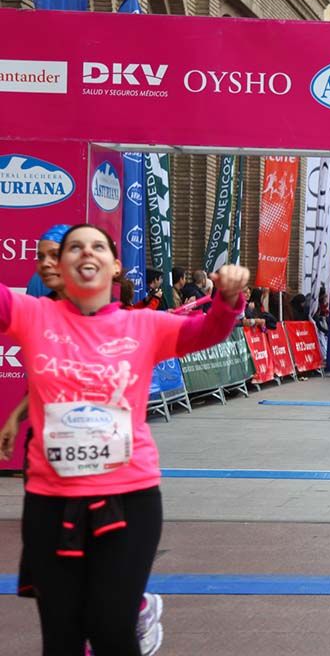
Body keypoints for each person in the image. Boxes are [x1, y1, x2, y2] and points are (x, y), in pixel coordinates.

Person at [2, 224, 247, 655]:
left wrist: (228, 298)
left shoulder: (144, 325)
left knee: (111, 629)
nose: (85, 253)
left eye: (98, 245)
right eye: (74, 247)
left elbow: (208, 332)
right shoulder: (32, 314)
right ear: (60, 265)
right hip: (50, 500)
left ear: (115, 266)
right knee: (61, 637)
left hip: (129, 499)